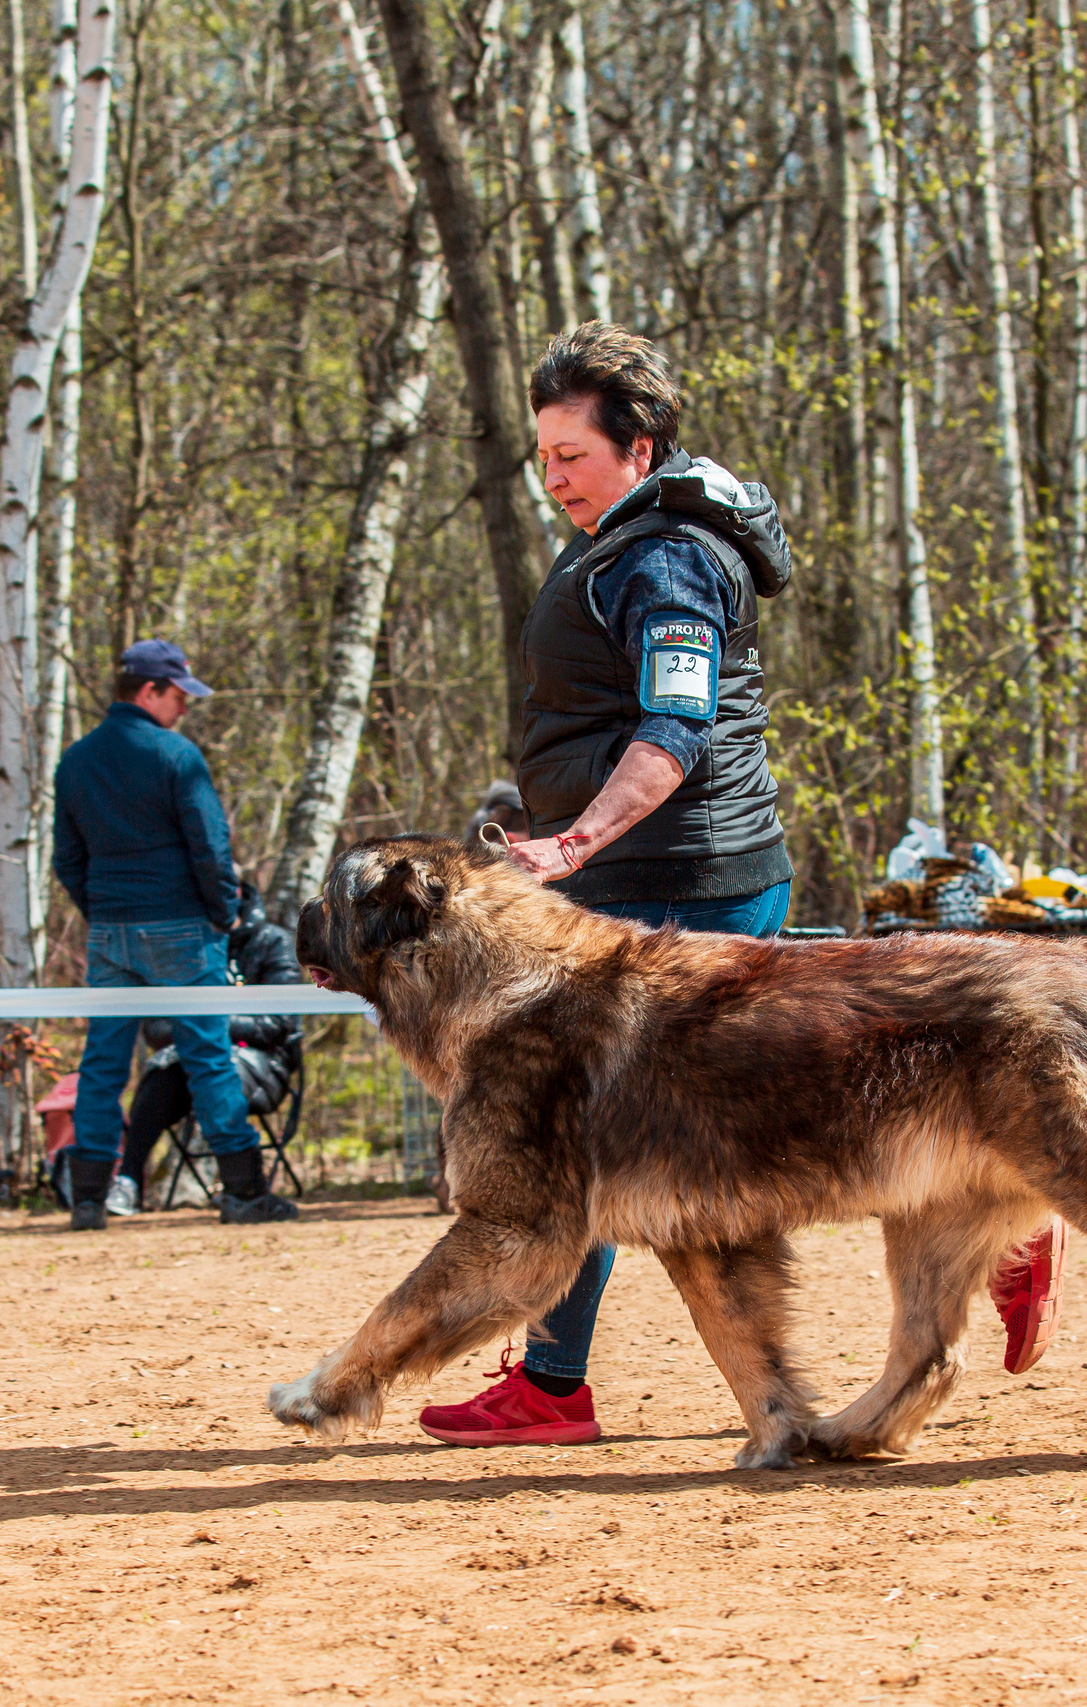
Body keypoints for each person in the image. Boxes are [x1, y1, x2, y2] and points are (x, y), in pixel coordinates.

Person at [415, 321, 802, 1446]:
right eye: (542, 458)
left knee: (648, 1149)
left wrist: (573, 844)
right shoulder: (621, 540)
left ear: (640, 448)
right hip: (643, 874)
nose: (553, 479)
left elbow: (673, 727)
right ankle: (549, 1381)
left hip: (679, 884)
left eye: (571, 456)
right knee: (610, 1144)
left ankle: (1005, 1221)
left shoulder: (665, 556)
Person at [52, 639, 297, 1229]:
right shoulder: (177, 756)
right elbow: (210, 847)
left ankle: (88, 1198)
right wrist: (223, 914)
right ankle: (241, 1191)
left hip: (110, 930)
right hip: (183, 930)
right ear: (149, 691)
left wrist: (102, 912)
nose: (186, 707)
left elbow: (67, 858)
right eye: (180, 695)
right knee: (209, 1058)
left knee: (103, 1061)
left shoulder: (76, 760)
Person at [109, 880, 302, 1213]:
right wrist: (200, 1031)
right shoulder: (182, 951)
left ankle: (243, 1190)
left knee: (216, 1071)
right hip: (190, 1061)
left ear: (235, 895)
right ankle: (127, 1181)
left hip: (263, 1066)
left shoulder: (272, 942)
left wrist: (207, 1025)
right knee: (163, 1071)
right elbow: (155, 1026)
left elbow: (278, 1023)